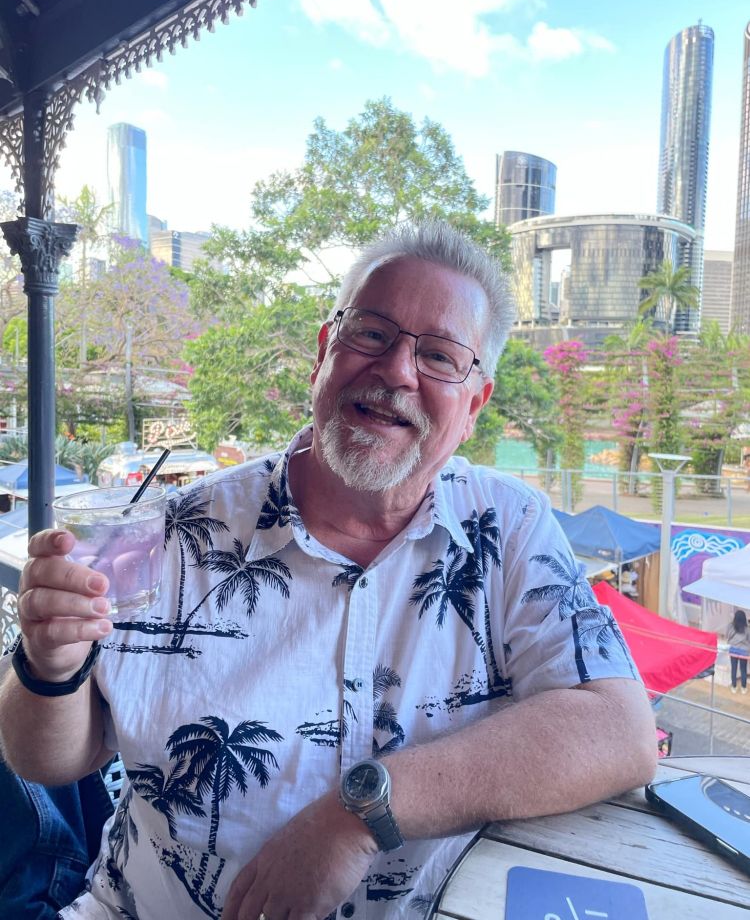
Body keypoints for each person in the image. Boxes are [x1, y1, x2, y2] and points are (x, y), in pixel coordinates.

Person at [0, 220, 656, 920]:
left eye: (438, 355)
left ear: (473, 405)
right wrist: (50, 660)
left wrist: (358, 816)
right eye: (371, 334)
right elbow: (49, 760)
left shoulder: (510, 528)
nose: (397, 371)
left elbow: (620, 731)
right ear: (325, 351)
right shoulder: (173, 531)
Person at [727, 609, 750, 695]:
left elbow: (727, 636)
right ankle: (743, 688)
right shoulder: (747, 629)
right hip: (744, 652)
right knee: (743, 670)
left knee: (734, 668)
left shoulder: (730, 626)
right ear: (744, 618)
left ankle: (734, 687)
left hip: (733, 650)